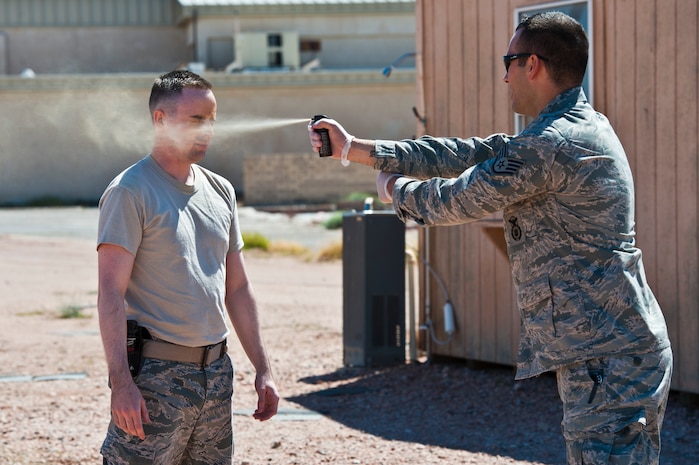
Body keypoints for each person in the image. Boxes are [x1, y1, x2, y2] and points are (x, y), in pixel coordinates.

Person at [309, 11, 672, 465]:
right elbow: (468, 152)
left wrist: (393, 189)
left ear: (533, 64)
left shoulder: (551, 143)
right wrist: (358, 150)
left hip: (607, 357)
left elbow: (457, 200)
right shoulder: (569, 128)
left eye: (509, 61)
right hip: (609, 352)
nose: (504, 76)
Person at [97, 69, 279, 465]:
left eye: (211, 120)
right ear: (160, 120)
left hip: (216, 376)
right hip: (155, 379)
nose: (207, 130)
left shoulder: (221, 190)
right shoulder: (130, 191)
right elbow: (110, 292)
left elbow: (238, 288)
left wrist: (263, 368)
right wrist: (120, 384)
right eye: (196, 119)